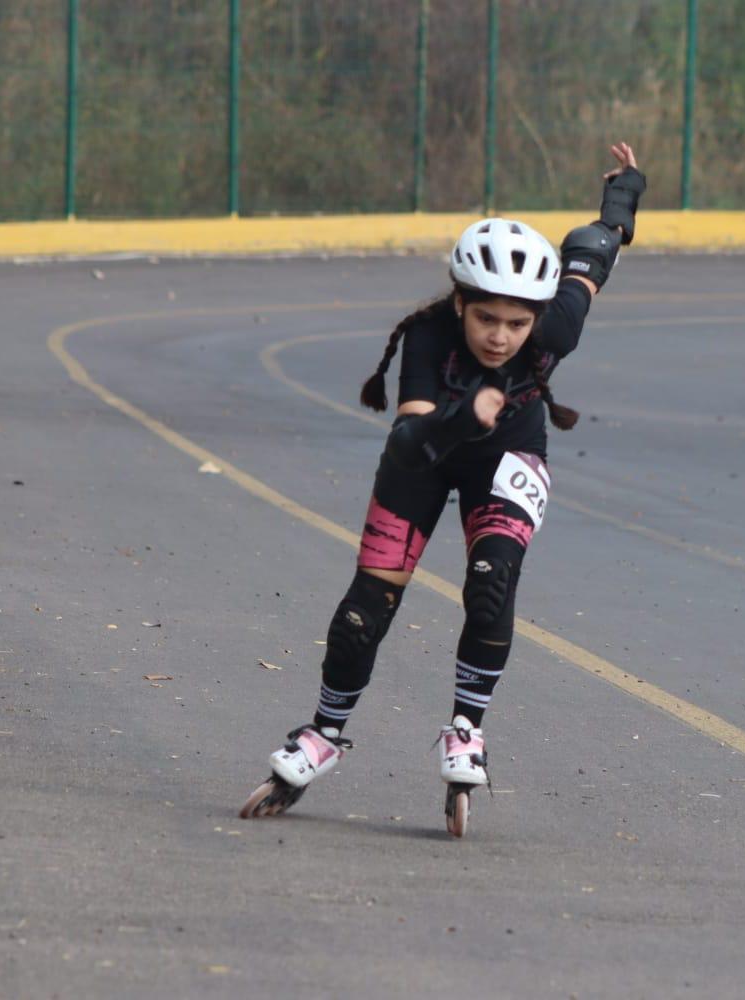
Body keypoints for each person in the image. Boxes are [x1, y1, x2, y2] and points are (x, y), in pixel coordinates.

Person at [241, 143, 646, 836]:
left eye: (518, 325)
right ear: (459, 302)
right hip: (427, 458)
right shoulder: (429, 338)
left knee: (491, 582)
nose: (501, 338)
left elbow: (594, 252)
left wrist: (623, 195)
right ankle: (324, 735)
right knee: (365, 609)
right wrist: (466, 413)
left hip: (511, 454)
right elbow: (411, 442)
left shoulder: (556, 325)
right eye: (485, 318)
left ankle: (467, 730)